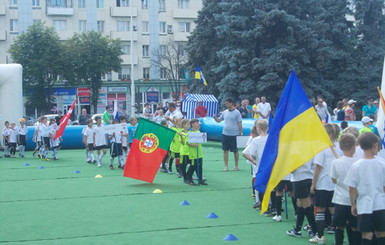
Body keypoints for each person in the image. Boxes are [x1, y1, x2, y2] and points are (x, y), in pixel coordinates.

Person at [344, 132, 385, 245]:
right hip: (381, 204)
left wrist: (353, 204)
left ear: (360, 146)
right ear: (375, 145)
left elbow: (352, 188)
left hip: (364, 205)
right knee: (381, 233)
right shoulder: (382, 163)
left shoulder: (356, 165)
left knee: (366, 235)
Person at [309, 124, 341, 243]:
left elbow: (318, 167)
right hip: (335, 184)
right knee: (333, 209)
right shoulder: (339, 148)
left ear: (329, 135)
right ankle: (338, 235)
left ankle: (320, 235)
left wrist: (313, 184)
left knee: (321, 209)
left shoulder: (322, 149)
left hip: (323, 183)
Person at [330, 133, 361, 245]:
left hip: (340, 199)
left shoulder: (335, 162)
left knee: (339, 226)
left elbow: (333, 179)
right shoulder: (358, 163)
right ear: (354, 147)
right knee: (355, 227)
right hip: (356, 199)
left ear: (340, 147)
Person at [287, 158, 317, 238]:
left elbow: (292, 170)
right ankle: (297, 229)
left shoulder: (295, 153)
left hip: (299, 178)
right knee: (299, 203)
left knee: (305, 204)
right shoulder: (309, 150)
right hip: (308, 177)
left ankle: (315, 230)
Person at [242, 120, 268, 208]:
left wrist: (254, 161)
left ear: (258, 128)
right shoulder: (270, 138)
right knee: (269, 185)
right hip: (269, 166)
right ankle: (272, 205)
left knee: (260, 185)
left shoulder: (255, 140)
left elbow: (251, 154)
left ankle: (261, 204)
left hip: (259, 166)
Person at [213, 98, 243, 172]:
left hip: (234, 134)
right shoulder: (225, 112)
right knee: (225, 150)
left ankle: (236, 166)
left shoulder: (237, 112)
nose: (225, 105)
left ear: (231, 103)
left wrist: (241, 133)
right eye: (225, 103)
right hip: (225, 134)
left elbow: (240, 123)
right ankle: (226, 166)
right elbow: (219, 120)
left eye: (226, 103)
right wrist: (215, 118)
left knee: (235, 151)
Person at [186, 119, 207, 185]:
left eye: (199, 124)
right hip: (193, 153)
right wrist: (194, 145)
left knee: (200, 166)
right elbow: (188, 143)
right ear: (192, 124)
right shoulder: (190, 133)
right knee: (193, 166)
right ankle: (189, 179)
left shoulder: (198, 132)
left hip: (199, 153)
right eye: (197, 123)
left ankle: (200, 179)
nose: (199, 125)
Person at [179, 119, 190, 183]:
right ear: (183, 125)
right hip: (184, 151)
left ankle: (188, 176)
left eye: (189, 124)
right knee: (184, 165)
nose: (189, 126)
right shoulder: (181, 132)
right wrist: (181, 136)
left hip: (190, 151)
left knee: (192, 165)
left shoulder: (190, 132)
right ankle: (185, 177)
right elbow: (182, 143)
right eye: (187, 124)